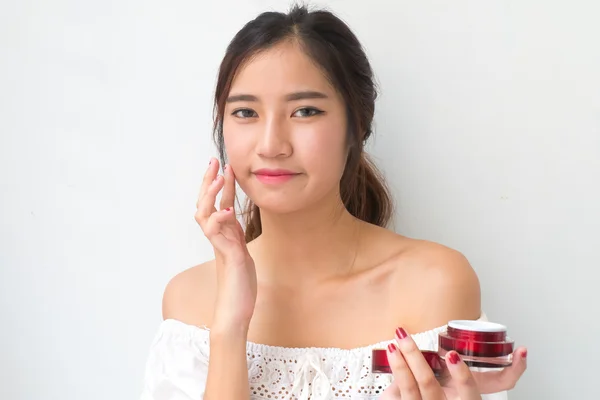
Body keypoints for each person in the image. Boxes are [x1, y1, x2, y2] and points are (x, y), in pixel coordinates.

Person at [140, 5, 527, 400]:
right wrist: (229, 327)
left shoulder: (435, 283)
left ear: (356, 126)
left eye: (305, 111)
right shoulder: (189, 302)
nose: (272, 145)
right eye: (245, 112)